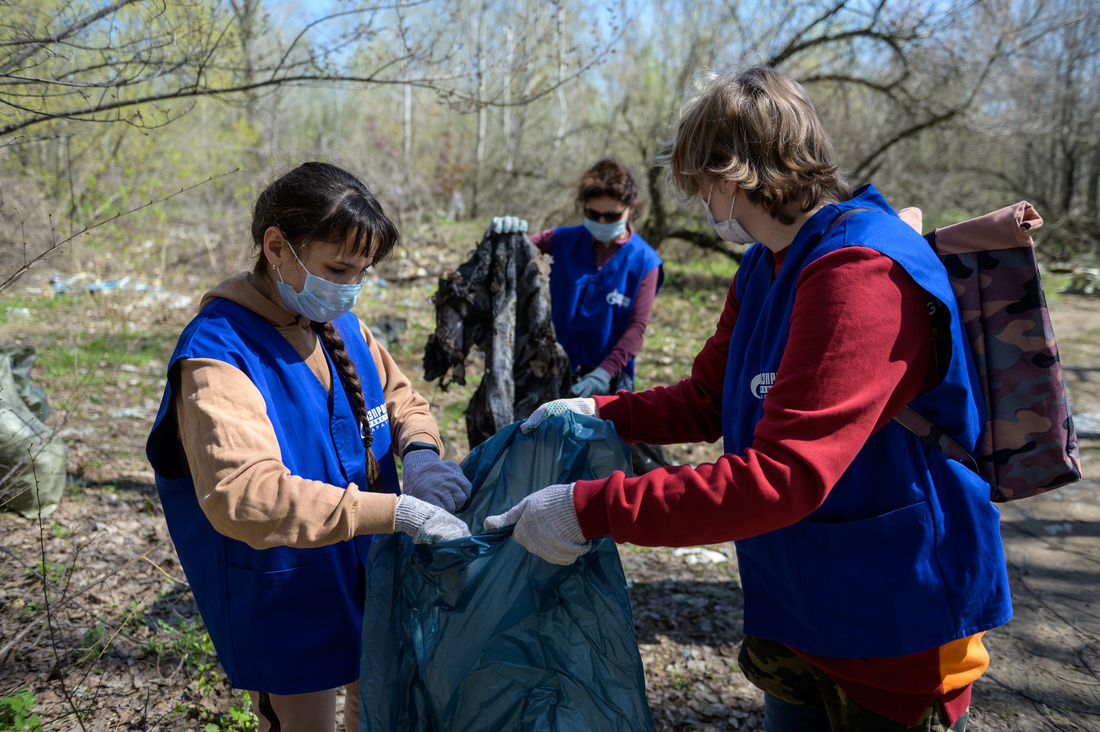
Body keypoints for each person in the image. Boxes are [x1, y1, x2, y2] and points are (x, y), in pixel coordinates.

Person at [485, 66, 1011, 731]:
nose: (697, 198)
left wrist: (590, 510)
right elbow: (710, 398)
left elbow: (784, 476)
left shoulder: (860, 275)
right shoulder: (766, 262)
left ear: (731, 176)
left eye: (698, 182)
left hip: (893, 621)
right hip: (797, 603)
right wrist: (599, 410)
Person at [146, 161, 471, 732]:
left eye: (362, 273)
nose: (349, 288)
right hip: (284, 588)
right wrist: (394, 511)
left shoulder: (343, 328)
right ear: (277, 247)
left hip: (367, 569)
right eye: (338, 268)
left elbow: (402, 401)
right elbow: (245, 494)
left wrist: (418, 455)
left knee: (378, 711)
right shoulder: (217, 354)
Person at [494, 158, 664, 397]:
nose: (602, 222)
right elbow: (510, 254)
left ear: (631, 209)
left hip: (606, 380)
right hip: (550, 373)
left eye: (612, 216)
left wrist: (605, 373)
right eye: (593, 214)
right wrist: (503, 235)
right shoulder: (561, 240)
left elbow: (636, 328)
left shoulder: (645, 261)